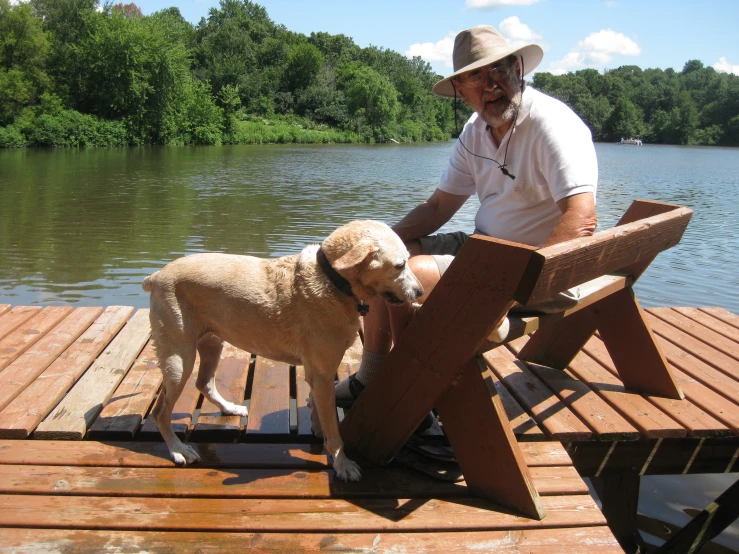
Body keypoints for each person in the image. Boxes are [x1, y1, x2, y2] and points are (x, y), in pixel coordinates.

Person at [335, 24, 598, 408]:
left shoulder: (552, 125)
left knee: (411, 274)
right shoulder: (475, 132)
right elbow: (438, 208)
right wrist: (379, 240)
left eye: (500, 72)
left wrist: (507, 293)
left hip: (547, 272)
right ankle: (373, 377)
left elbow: (581, 221)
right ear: (460, 89)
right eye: (477, 77)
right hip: (485, 249)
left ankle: (409, 398)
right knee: (387, 257)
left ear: (518, 71)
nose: (491, 85)